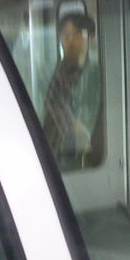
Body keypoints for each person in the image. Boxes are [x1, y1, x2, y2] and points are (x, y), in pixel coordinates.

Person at [41, 10, 103, 166]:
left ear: (92, 38)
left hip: (95, 151)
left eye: (76, 34)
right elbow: (54, 109)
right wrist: (79, 132)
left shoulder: (98, 73)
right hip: (60, 152)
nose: (69, 40)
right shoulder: (51, 73)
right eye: (65, 35)